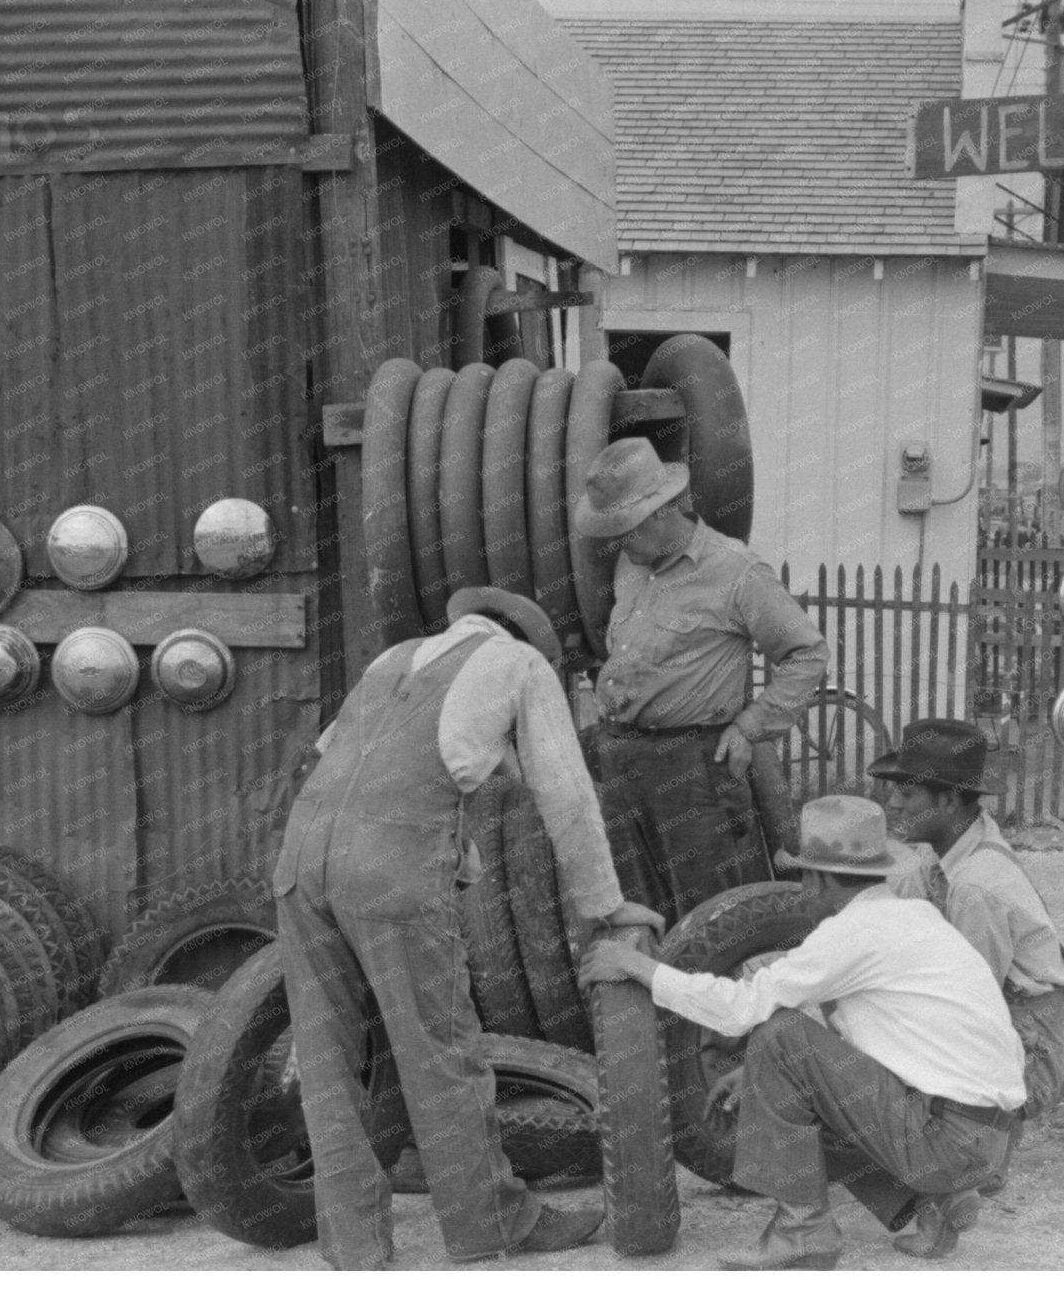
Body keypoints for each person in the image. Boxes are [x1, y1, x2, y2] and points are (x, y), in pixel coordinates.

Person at [272, 586, 664, 1269]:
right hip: (390, 870)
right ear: (530, 643)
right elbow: (565, 791)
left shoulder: (394, 657)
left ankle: (354, 1247)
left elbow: (351, 759)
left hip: (301, 857)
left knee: (328, 1057)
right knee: (441, 1049)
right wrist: (603, 904)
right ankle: (492, 1222)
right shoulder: (520, 665)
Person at [579, 794, 1025, 1269]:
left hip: (947, 1141)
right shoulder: (913, 916)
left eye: (803, 878)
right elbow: (890, 1042)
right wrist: (759, 1074)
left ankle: (802, 1230)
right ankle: (935, 1202)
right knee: (785, 1054)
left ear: (818, 878)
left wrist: (637, 966)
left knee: (778, 1032)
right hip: (985, 1137)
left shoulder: (852, 932)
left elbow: (743, 1008)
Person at [574, 437, 828, 924]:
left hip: (693, 771)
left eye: (624, 528)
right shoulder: (630, 567)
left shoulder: (735, 570)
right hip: (620, 763)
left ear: (663, 512)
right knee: (635, 907)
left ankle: (723, 999)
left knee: (712, 914)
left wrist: (752, 725)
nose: (617, 542)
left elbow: (807, 654)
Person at [875, 719, 1064, 1129]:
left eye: (906, 792)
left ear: (949, 801)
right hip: (1001, 1029)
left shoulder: (974, 885)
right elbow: (893, 921)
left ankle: (973, 1148)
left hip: (1027, 1055)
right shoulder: (951, 847)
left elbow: (968, 1009)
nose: (893, 803)